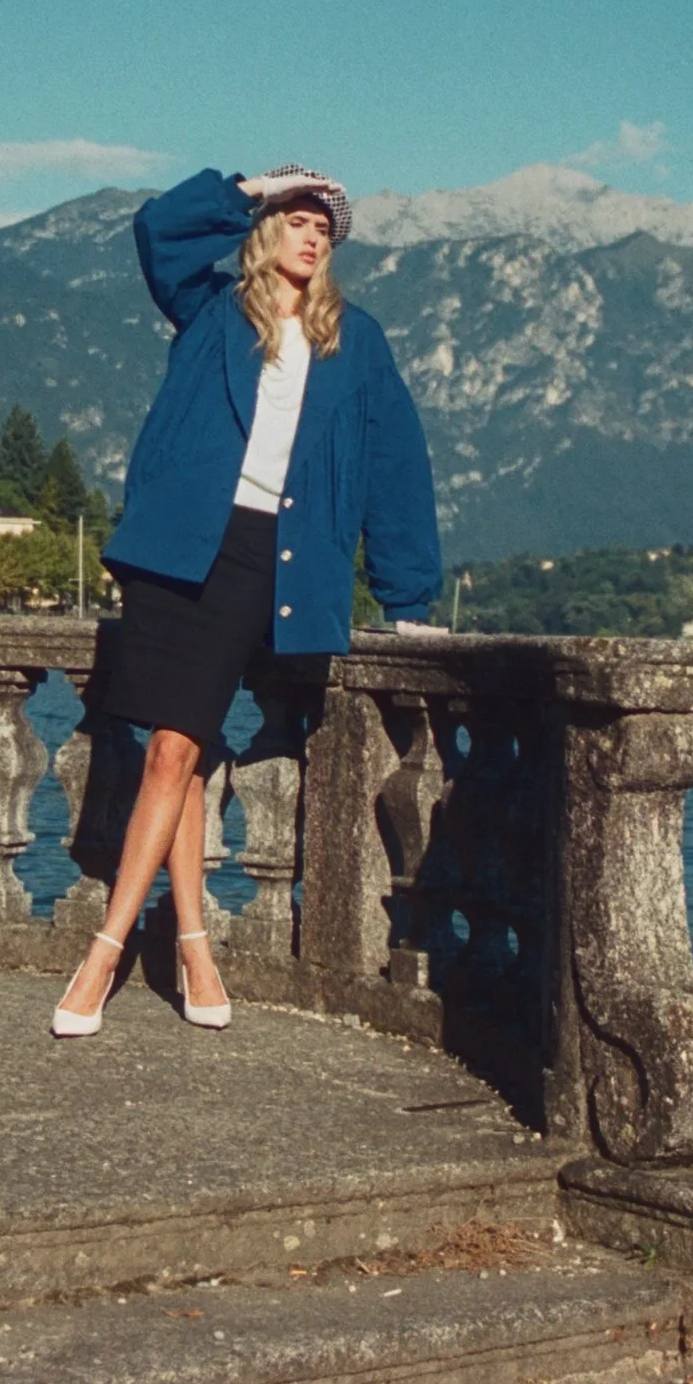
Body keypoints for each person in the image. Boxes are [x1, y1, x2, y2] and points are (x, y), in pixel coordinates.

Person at [52, 164, 445, 1037]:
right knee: (177, 748)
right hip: (176, 549)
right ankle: (192, 944)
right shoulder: (211, 309)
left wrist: (408, 593)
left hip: (265, 557)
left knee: (173, 747)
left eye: (324, 227)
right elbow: (157, 232)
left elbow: (395, 467)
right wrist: (247, 183)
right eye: (297, 218)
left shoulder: (359, 340)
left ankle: (104, 951)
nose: (312, 235)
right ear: (266, 227)